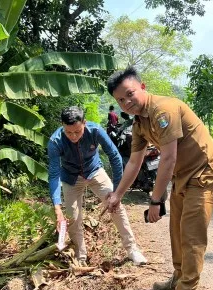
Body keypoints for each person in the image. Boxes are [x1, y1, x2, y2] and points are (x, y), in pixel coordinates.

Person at [105, 67, 213, 290]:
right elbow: (134, 163)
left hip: (205, 173)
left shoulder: (163, 110)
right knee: (176, 230)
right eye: (120, 100)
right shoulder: (139, 124)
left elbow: (168, 159)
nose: (127, 102)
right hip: (184, 176)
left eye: (130, 94)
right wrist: (117, 194)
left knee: (191, 234)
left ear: (143, 87)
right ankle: (179, 277)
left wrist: (155, 199)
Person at [47, 106, 147, 266]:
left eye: (77, 132)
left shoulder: (95, 130)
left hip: (94, 171)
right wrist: (57, 208)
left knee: (116, 206)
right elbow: (53, 174)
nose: (73, 136)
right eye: (69, 132)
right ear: (62, 126)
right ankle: (81, 257)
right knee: (73, 218)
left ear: (84, 123)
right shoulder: (55, 141)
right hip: (70, 178)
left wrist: (117, 192)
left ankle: (132, 250)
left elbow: (114, 156)